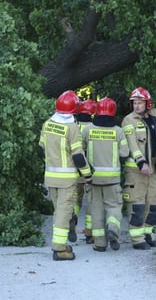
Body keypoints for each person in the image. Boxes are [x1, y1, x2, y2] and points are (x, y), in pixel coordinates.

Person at [39, 90, 93, 260]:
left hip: (50, 177)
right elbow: (78, 156)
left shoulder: (47, 124)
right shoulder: (72, 128)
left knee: (59, 211)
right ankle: (59, 249)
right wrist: (88, 174)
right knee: (64, 212)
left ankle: (61, 242)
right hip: (67, 180)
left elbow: (41, 149)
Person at [121, 86, 156, 250]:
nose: (136, 106)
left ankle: (149, 234)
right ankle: (137, 239)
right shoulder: (129, 120)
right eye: (134, 103)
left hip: (153, 170)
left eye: (140, 103)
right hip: (136, 171)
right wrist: (141, 162)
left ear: (147, 104)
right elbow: (132, 143)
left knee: (154, 205)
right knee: (137, 206)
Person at [82, 97, 129, 252]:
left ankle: (100, 244)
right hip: (112, 180)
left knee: (96, 211)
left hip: (93, 179)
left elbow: (79, 152)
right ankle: (113, 227)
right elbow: (125, 154)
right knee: (114, 206)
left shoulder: (88, 130)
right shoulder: (118, 132)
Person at [71, 98, 97, 243]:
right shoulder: (94, 128)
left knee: (76, 200)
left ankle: (73, 216)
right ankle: (89, 233)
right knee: (91, 203)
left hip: (73, 172)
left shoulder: (73, 126)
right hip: (88, 172)